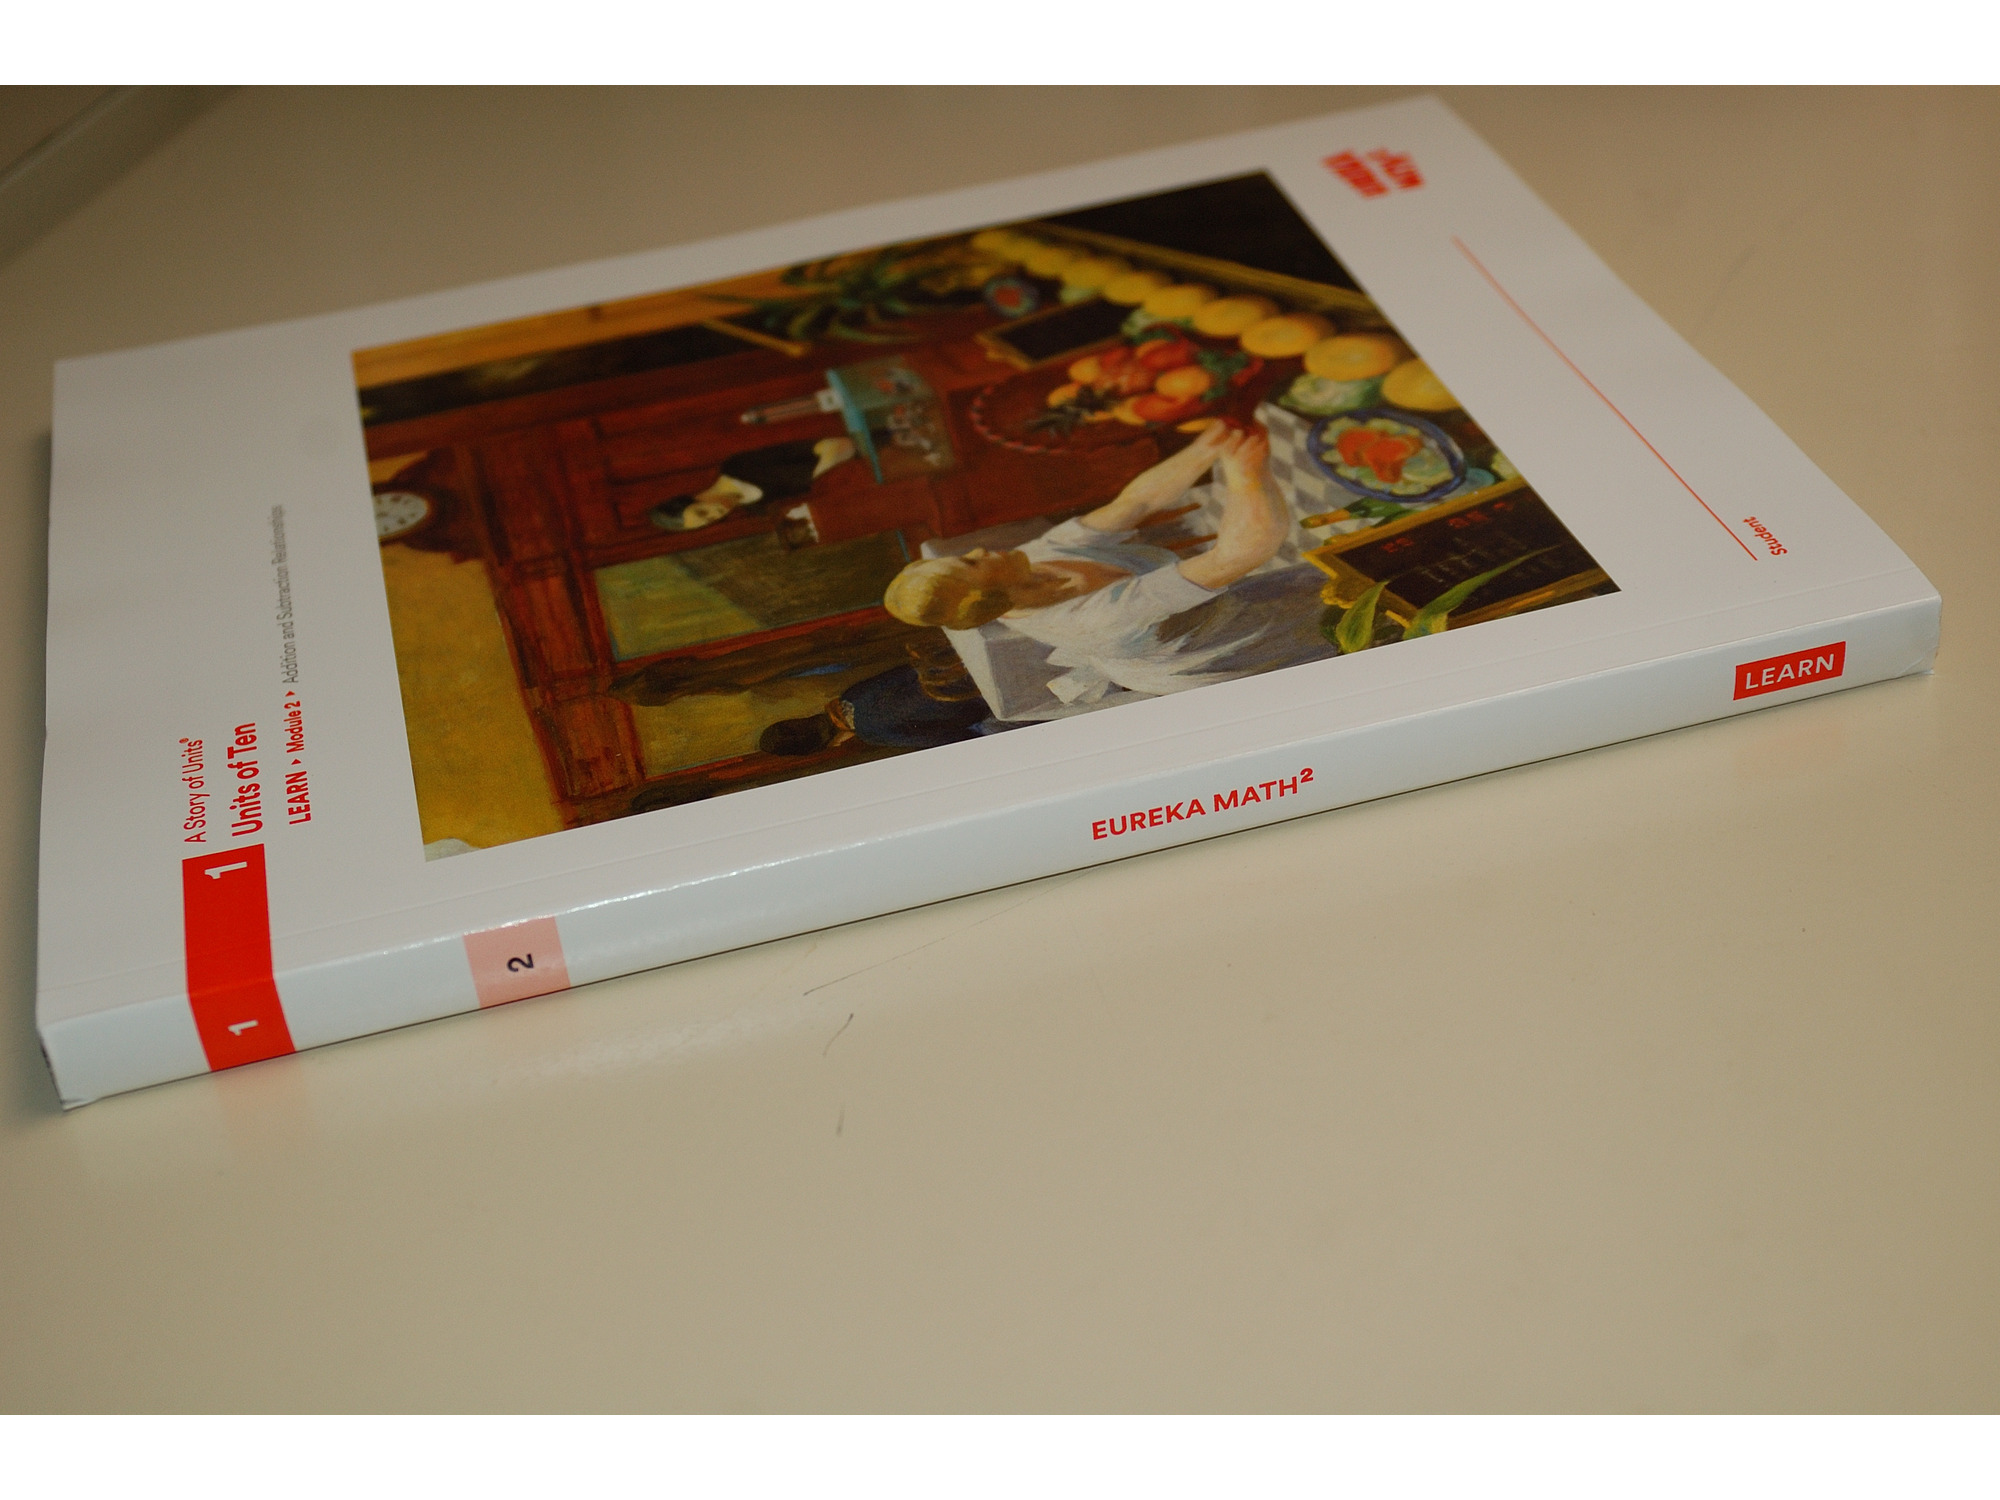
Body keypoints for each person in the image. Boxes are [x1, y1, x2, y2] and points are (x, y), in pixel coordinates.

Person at [881, 423, 1332, 702]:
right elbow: (1240, 553)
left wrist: (1210, 444)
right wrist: (1247, 471)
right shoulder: (1091, 620)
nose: (980, 551)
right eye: (971, 564)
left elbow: (1135, 503)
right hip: (1231, 647)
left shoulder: (1030, 562)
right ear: (985, 596)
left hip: (1222, 605)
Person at [759, 659, 996, 756]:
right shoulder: (850, 696)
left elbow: (946, 739)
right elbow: (910, 670)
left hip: (977, 702)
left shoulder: (870, 733)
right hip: (963, 669)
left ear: (830, 743)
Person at [649, 435, 857, 532]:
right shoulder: (760, 510)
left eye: (702, 511)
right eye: (709, 520)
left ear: (695, 498)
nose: (715, 514)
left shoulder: (739, 466)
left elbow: (835, 445)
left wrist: (823, 479)